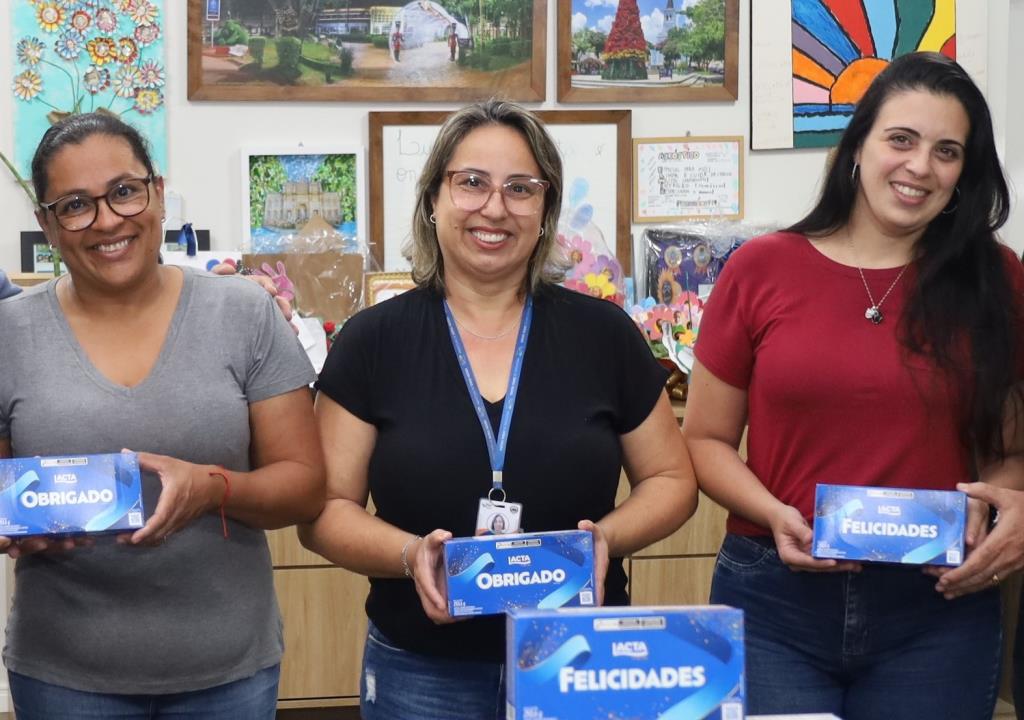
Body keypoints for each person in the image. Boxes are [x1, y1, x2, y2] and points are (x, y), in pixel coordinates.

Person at [299, 99, 697, 720]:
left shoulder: (604, 334)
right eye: (471, 183)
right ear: (433, 200)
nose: (495, 207)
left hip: (580, 657)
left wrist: (606, 540)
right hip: (423, 667)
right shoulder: (373, 341)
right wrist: (412, 556)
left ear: (544, 210)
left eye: (520, 188)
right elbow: (325, 511)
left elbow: (673, 481)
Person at [682, 51, 1024, 720]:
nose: (920, 166)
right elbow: (705, 440)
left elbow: (1010, 453)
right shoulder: (760, 268)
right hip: (773, 597)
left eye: (947, 151)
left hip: (939, 607)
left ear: (965, 173)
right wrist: (773, 512)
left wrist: (1005, 504)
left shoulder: (997, 280)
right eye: (901, 139)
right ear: (857, 146)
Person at [0, 112, 325, 719]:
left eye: (124, 191)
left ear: (157, 191)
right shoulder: (8, 333)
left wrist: (212, 489)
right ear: (46, 223)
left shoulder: (244, 313)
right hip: (64, 673)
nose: (107, 221)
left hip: (227, 671)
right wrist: (16, 524)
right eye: (75, 205)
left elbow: (304, 488)